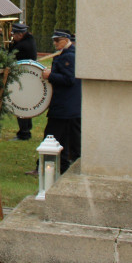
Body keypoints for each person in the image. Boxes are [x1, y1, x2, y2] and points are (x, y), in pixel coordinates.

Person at [42, 30, 81, 173]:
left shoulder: (69, 56)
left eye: (57, 40)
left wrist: (51, 75)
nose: (55, 43)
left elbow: (69, 79)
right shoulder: (68, 54)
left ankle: (48, 167)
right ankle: (62, 166)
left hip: (65, 106)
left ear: (66, 40)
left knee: (52, 137)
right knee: (65, 139)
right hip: (67, 106)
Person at [3, 22, 37, 140]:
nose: (12, 36)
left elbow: (9, 55)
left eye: (14, 34)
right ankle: (26, 129)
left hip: (23, 77)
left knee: (21, 103)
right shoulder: (28, 40)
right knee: (25, 103)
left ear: (21, 34)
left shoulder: (23, 45)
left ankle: (24, 133)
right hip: (26, 77)